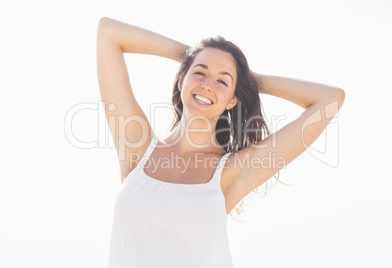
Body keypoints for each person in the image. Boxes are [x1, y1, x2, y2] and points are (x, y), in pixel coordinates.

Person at [96, 17, 345, 268]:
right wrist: (189, 55)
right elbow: (108, 32)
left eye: (222, 81)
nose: (207, 85)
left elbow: (331, 99)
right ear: (181, 80)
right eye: (200, 73)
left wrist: (250, 80)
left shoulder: (229, 172)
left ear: (232, 99)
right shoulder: (138, 150)